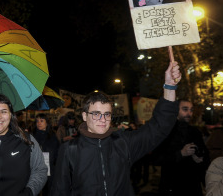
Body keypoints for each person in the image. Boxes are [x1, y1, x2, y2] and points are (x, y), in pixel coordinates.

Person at [50, 62, 181, 196]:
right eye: (96, 114)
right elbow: (59, 190)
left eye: (107, 114)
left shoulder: (123, 143)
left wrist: (170, 87)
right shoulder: (69, 150)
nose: (103, 119)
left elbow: (159, 127)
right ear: (84, 116)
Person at [157, 99, 210, 196]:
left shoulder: (195, 131)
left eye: (191, 110)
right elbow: (157, 158)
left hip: (193, 186)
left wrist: (199, 158)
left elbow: (206, 156)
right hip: (172, 186)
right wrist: (181, 153)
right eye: (185, 109)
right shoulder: (165, 132)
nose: (189, 113)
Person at [32, 113, 60, 196]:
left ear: (47, 122)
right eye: (37, 121)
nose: (39, 123)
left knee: (48, 191)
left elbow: (57, 154)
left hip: (49, 169)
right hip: (35, 169)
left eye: (41, 121)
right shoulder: (32, 136)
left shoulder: (53, 137)